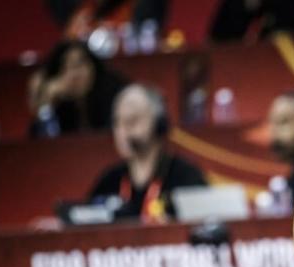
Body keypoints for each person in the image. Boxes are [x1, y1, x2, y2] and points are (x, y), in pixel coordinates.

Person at [87, 84, 207, 222]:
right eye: (117, 122)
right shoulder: (109, 181)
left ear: (158, 123)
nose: (123, 131)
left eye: (132, 120)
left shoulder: (186, 176)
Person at [28, 40, 128, 137]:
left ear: (93, 66)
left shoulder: (113, 93)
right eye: (67, 67)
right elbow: (44, 145)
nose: (75, 74)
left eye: (80, 64)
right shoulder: (56, 105)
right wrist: (46, 106)